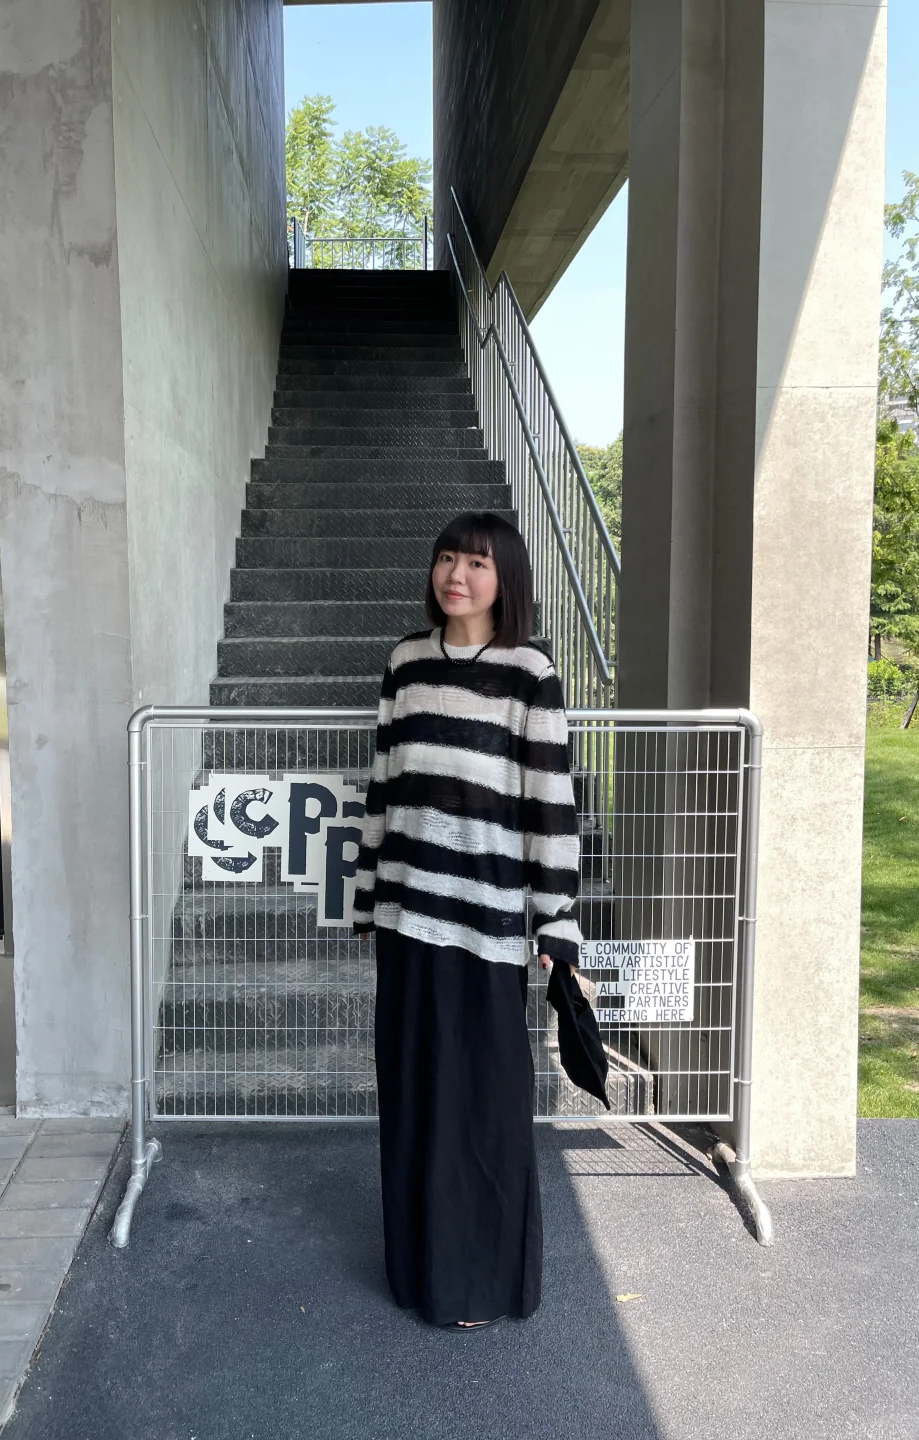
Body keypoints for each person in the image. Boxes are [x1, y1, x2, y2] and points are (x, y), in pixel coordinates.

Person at [352, 511, 582, 1329]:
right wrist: (368, 895)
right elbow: (382, 787)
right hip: (407, 919)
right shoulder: (405, 664)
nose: (457, 575)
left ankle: (480, 1282)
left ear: (505, 578)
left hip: (486, 927)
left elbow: (551, 804)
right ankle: (420, 1271)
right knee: (414, 1094)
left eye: (477, 563)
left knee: (483, 1106)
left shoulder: (530, 674)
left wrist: (556, 920)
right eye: (447, 559)